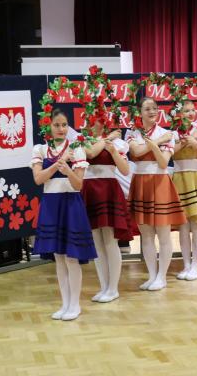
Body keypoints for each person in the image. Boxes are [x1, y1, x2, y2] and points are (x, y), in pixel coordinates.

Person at [30, 109, 96, 321]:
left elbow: (78, 185)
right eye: (56, 125)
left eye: (64, 124)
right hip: (51, 205)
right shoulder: (40, 149)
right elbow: (38, 179)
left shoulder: (77, 149)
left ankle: (75, 305)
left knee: (71, 258)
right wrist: (59, 163)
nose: (61, 129)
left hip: (71, 204)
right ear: (48, 126)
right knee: (58, 258)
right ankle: (65, 303)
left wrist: (67, 170)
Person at [126, 97, 187, 291]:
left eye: (154, 108)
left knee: (163, 234)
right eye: (147, 109)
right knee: (146, 234)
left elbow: (163, 163)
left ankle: (162, 277)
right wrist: (157, 142)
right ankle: (152, 276)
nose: (152, 111)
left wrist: (154, 144)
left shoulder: (167, 133)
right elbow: (136, 151)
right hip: (140, 183)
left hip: (160, 183)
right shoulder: (133, 133)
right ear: (140, 112)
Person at [82, 122, 132, 303]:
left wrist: (113, 150)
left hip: (108, 190)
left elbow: (125, 170)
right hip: (90, 191)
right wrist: (107, 139)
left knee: (110, 241)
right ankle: (104, 286)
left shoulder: (117, 143)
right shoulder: (84, 141)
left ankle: (113, 288)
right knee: (97, 242)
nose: (92, 121)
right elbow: (90, 154)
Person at [171, 101, 197, 281]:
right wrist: (183, 141)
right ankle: (186, 264)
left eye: (192, 110)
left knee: (196, 225)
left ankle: (195, 265)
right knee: (183, 226)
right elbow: (169, 154)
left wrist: (195, 143)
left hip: (196, 179)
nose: (190, 113)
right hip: (179, 180)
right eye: (186, 110)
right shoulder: (173, 134)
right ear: (178, 114)